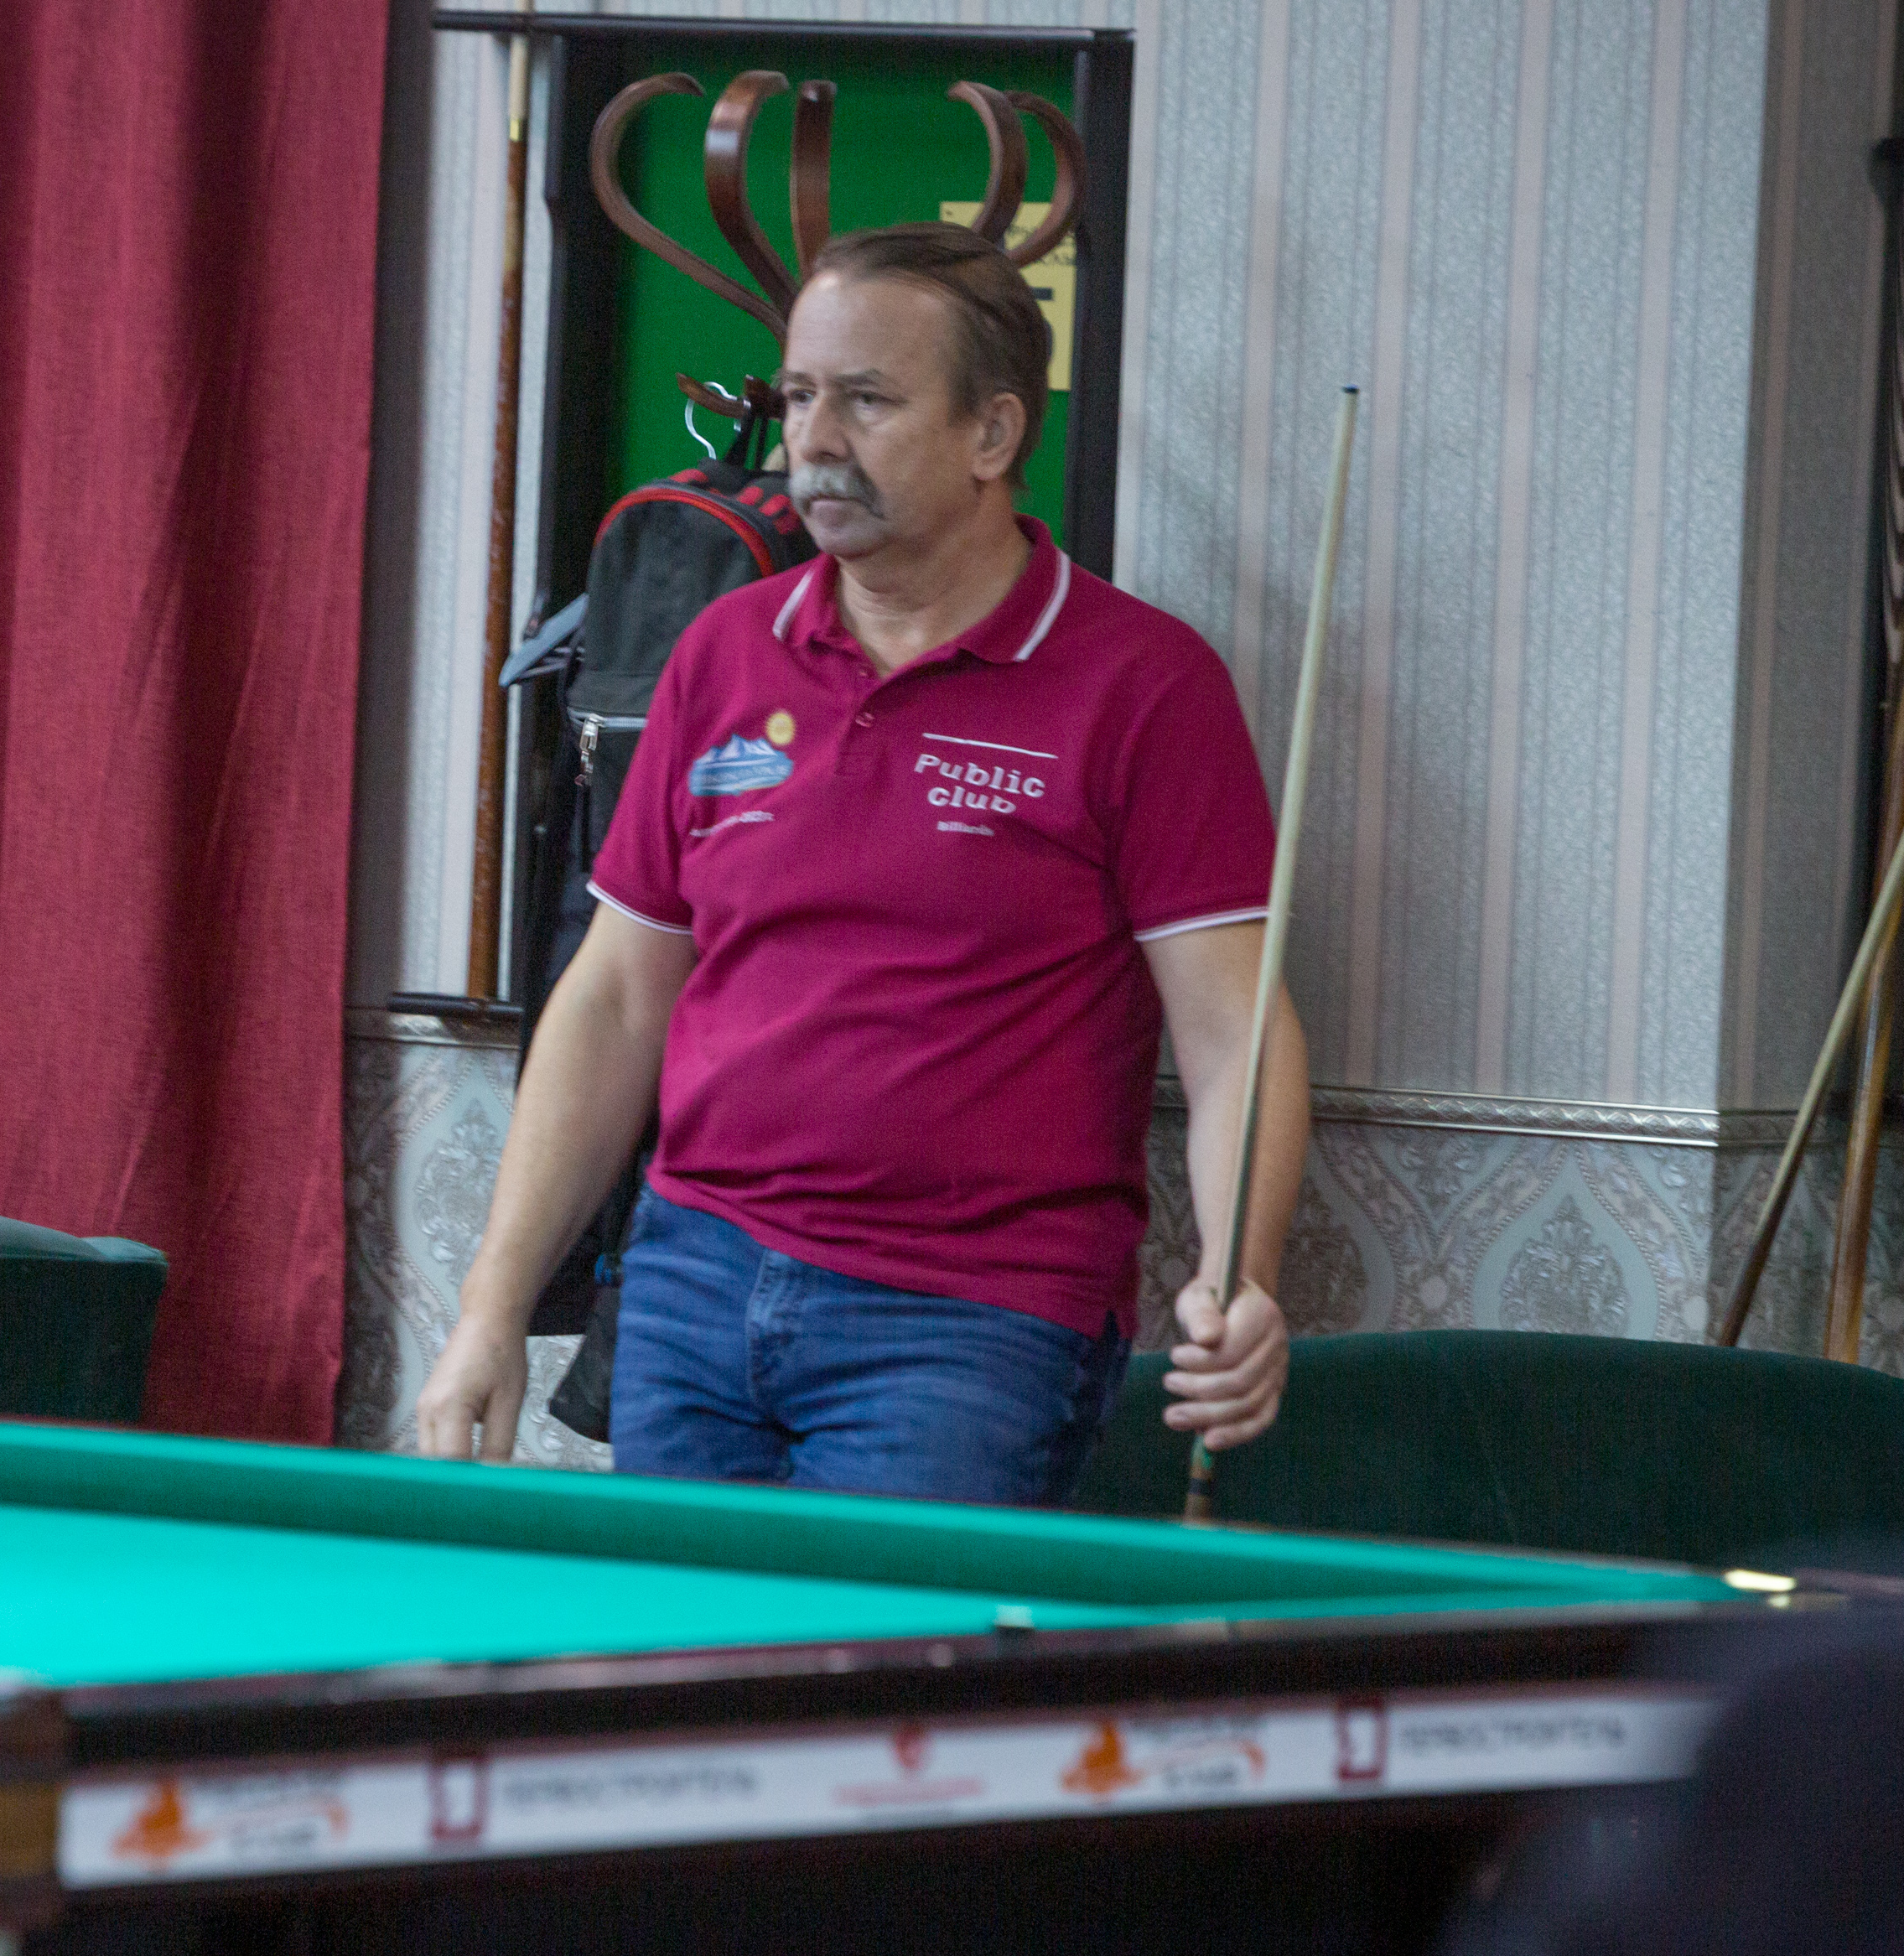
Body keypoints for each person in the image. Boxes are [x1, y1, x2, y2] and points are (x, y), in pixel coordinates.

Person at [415, 222, 1309, 1504]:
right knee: (680, 1641)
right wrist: (492, 1306)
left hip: (966, 1325)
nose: (814, 440)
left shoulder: (1145, 686)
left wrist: (1241, 1272)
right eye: (798, 396)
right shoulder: (723, 651)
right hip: (692, 1284)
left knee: (883, 1646)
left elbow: (1234, 1034)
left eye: (868, 400)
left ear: (992, 433)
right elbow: (614, 998)